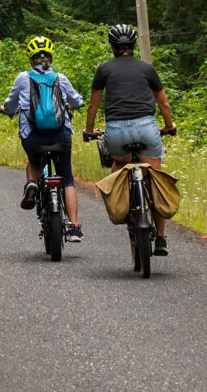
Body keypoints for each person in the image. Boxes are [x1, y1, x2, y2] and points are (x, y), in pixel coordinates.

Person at [82, 23, 177, 255]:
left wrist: (89, 130)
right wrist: (169, 126)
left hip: (116, 131)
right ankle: (161, 239)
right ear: (134, 45)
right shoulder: (147, 68)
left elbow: (93, 105)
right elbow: (163, 102)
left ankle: (123, 207)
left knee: (118, 163)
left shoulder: (104, 70)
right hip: (146, 127)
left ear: (112, 46)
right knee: (154, 180)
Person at [0, 36, 85, 241]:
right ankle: (74, 227)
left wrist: (3, 109)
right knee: (67, 178)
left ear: (31, 58)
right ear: (50, 57)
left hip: (33, 137)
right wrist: (74, 105)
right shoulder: (60, 78)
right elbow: (77, 102)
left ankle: (32, 183)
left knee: (34, 160)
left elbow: (10, 106)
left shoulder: (23, 78)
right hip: (61, 136)